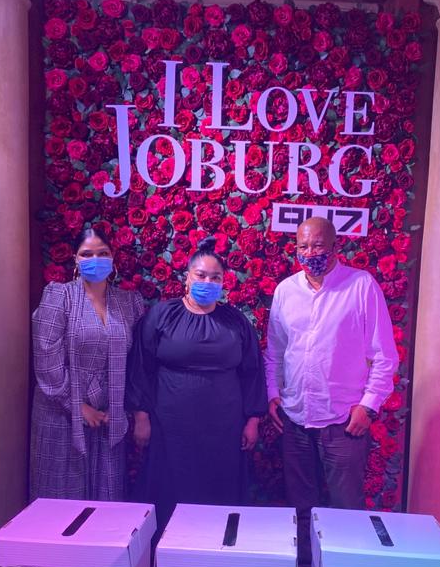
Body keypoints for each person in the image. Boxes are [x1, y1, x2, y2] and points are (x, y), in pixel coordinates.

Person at [264, 215, 399, 567]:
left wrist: (368, 405)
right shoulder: (286, 291)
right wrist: (273, 394)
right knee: (300, 508)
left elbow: (384, 355)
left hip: (343, 421)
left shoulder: (361, 286)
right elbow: (275, 351)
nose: (310, 253)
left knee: (345, 508)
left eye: (318, 245)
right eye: (303, 246)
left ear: (336, 245)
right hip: (294, 419)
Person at [127, 236, 267, 531]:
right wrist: (141, 417)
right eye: (201, 275)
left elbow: (252, 372)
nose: (207, 281)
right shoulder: (162, 315)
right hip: (170, 427)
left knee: (218, 496)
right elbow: (141, 367)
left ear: (224, 282)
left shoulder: (235, 322)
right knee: (170, 492)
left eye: (215, 277)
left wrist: (253, 420)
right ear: (187, 277)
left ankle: (216, 550)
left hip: (224, 429)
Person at [30, 224, 144, 502]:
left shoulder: (129, 302)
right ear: (76, 260)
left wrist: (121, 408)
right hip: (62, 413)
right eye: (87, 254)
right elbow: (46, 358)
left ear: (113, 258)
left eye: (102, 253)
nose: (95, 260)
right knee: (62, 500)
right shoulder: (59, 296)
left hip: (109, 417)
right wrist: (78, 407)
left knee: (107, 502)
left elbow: (137, 361)